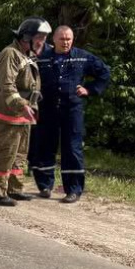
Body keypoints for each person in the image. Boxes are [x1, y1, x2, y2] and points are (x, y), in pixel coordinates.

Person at [28, 25, 112, 203]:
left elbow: (105, 73)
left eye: (68, 39)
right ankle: (44, 185)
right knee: (44, 146)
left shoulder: (82, 56)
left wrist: (89, 89)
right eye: (62, 39)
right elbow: (27, 78)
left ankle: (73, 190)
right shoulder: (41, 58)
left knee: (72, 149)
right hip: (47, 108)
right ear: (54, 40)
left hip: (72, 110)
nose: (65, 42)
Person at [0, 18, 51, 206]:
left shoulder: (26, 54)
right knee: (4, 153)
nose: (43, 42)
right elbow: (7, 85)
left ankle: (14, 189)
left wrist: (28, 107)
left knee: (20, 154)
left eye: (44, 38)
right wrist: (22, 105)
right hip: (8, 112)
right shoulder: (11, 54)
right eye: (40, 37)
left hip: (22, 114)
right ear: (27, 37)